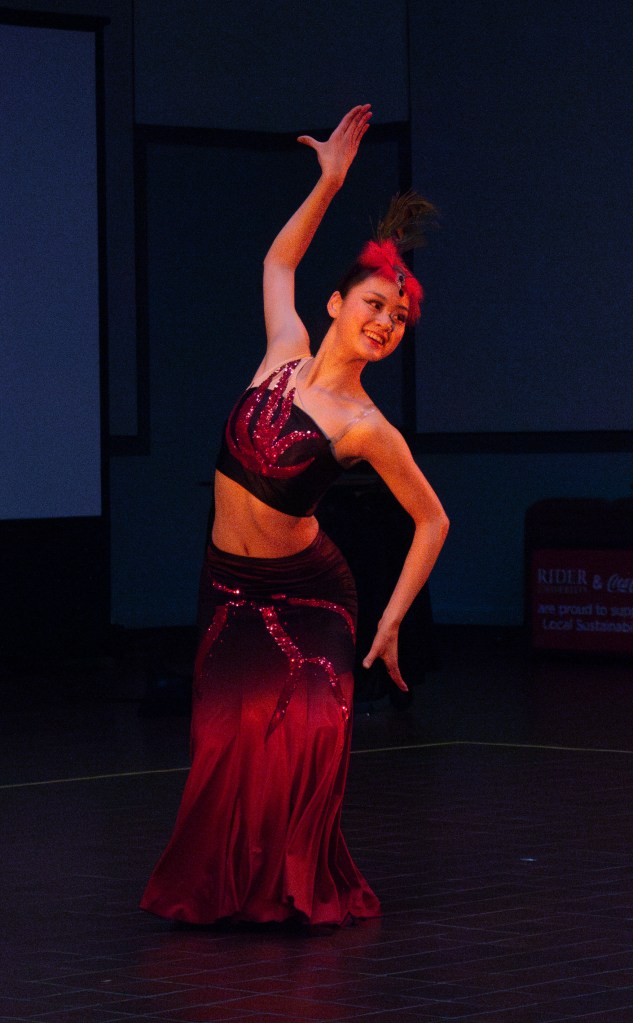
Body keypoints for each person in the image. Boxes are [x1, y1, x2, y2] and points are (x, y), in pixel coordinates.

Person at [140, 104, 449, 928]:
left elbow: (432, 520)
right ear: (337, 303)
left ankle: (290, 888)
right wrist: (330, 183)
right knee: (224, 744)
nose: (384, 323)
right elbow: (279, 261)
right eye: (374, 304)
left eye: (397, 319)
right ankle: (227, 888)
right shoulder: (283, 349)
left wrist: (390, 620)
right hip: (227, 587)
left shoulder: (367, 427)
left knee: (303, 741)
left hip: (309, 596)